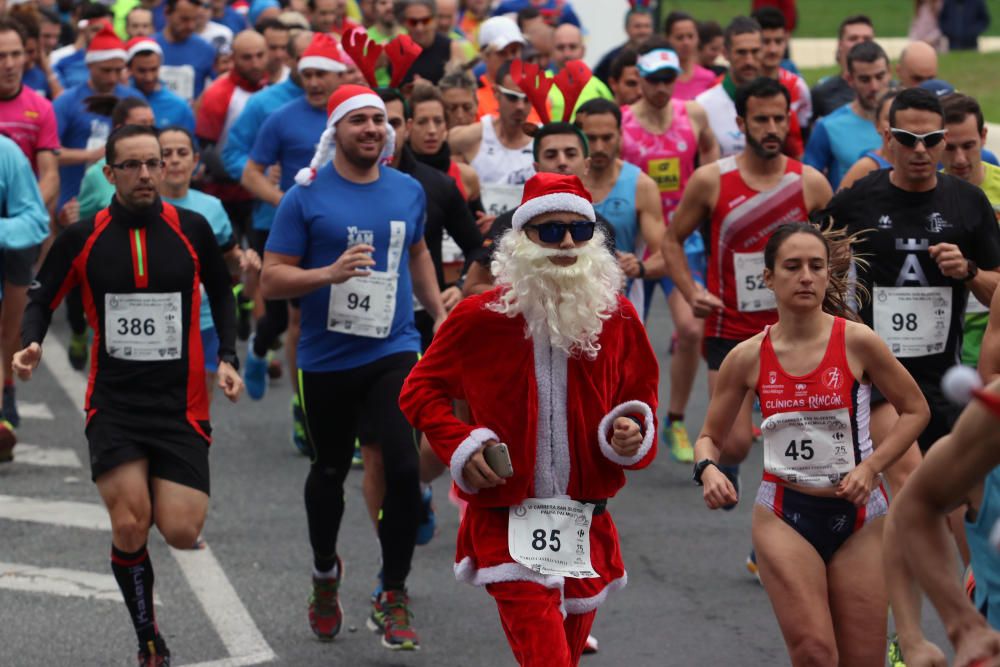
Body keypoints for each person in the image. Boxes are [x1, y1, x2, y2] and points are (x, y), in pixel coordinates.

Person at [399, 171, 658, 667]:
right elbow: (420, 390)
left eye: (579, 231)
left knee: (561, 655)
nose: (565, 242)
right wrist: (462, 443)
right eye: (549, 230)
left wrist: (628, 430)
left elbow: (638, 393)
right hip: (507, 517)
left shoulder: (617, 315)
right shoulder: (479, 317)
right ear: (522, 239)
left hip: (584, 520)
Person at [14, 123, 242, 666]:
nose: (145, 174)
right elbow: (42, 297)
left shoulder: (191, 228)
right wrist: (29, 343)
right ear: (109, 173)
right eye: (132, 166)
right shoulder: (83, 235)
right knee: (129, 524)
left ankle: (154, 573)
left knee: (183, 531)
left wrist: (229, 356)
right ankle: (148, 641)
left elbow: (221, 290)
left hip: (181, 404)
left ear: (164, 168)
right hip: (114, 404)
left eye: (153, 163)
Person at [259, 83, 445, 651]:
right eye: (357, 120)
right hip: (325, 359)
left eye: (377, 121)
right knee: (331, 471)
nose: (370, 128)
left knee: (403, 468)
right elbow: (271, 277)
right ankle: (323, 574)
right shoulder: (305, 197)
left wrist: (439, 310)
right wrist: (327, 275)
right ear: (335, 131)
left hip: (392, 348)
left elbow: (415, 251)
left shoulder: (408, 190)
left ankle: (393, 593)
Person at [693, 222, 929, 667]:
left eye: (815, 266)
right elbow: (709, 437)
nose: (805, 276)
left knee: (863, 659)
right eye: (792, 266)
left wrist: (871, 467)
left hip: (861, 517)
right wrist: (707, 470)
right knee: (816, 653)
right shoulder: (746, 356)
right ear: (768, 278)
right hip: (785, 514)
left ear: (826, 275)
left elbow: (916, 411)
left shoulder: (858, 342)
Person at [663, 76, 832, 525]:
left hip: (795, 333)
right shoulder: (711, 181)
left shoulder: (810, 184)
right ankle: (730, 468)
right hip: (731, 331)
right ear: (741, 123)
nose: (772, 127)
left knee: (803, 445)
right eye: (762, 119)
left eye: (780, 118)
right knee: (735, 442)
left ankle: (782, 530)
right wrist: (691, 290)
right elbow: (671, 240)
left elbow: (839, 249)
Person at [819, 86, 1000, 492]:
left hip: (941, 374)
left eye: (932, 140)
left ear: (943, 141)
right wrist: (841, 311)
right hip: (874, 375)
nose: (920, 150)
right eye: (907, 138)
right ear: (887, 139)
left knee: (953, 492)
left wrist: (969, 270)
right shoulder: (861, 197)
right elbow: (808, 258)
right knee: (908, 478)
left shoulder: (969, 203)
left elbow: (998, 293)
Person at [619, 44, 717, 463]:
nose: (661, 88)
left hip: (682, 242)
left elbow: (710, 149)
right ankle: (623, 420)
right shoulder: (622, 123)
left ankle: (675, 419)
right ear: (638, 79)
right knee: (622, 339)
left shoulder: (691, 114)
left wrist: (707, 193)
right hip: (635, 245)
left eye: (668, 79)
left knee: (692, 329)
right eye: (653, 79)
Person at [240, 31, 347, 402]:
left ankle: (321, 401)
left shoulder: (354, 117)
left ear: (339, 75)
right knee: (287, 321)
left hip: (339, 232)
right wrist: (284, 200)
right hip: (287, 232)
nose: (314, 82)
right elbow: (250, 172)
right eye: (308, 74)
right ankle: (299, 399)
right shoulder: (281, 118)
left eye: (323, 74)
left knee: (326, 320)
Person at [159, 125, 260, 399]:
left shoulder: (212, 208)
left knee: (197, 408)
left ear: (195, 161)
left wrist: (244, 261)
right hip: (154, 320)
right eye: (166, 153)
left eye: (182, 153)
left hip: (203, 321)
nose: (175, 160)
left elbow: (227, 259)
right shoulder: (140, 205)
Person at [577, 98, 668, 314]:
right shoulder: (562, 180)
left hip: (621, 310)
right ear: (578, 138)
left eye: (607, 138)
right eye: (591, 138)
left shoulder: (641, 185)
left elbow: (664, 256)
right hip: (569, 305)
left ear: (620, 136)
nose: (599, 147)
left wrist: (639, 267)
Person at [938, 94, 1000, 369]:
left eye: (969, 145)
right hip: (945, 340)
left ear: (984, 136)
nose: (960, 158)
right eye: (950, 148)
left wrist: (969, 270)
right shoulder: (923, 193)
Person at [0, 132, 52, 460]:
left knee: (7, 335)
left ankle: (6, 400)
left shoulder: (6, 153)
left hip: (8, 257)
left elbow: (36, 220)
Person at [196, 30, 268, 244]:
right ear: (233, 58)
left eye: (259, 55)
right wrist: (251, 178)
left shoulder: (273, 87)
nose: (255, 63)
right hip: (226, 195)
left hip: (262, 195)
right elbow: (207, 151)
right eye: (247, 57)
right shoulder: (218, 94)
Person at [695, 16, 804, 159]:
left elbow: (797, 160)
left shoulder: (779, 103)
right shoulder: (703, 106)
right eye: (741, 52)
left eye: (755, 51)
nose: (749, 60)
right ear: (725, 53)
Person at [804, 40, 890, 189]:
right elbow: (808, 184)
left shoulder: (907, 122)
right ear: (849, 79)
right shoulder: (828, 126)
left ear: (889, 73)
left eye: (879, 76)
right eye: (865, 79)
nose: (874, 87)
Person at [450, 59, 535, 192]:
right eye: (512, 97)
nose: (520, 106)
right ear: (496, 92)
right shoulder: (473, 136)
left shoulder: (543, 141)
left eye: (527, 99)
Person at [752, 6, 812, 132]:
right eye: (765, 42)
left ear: (786, 40)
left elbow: (803, 135)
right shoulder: (739, 85)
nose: (773, 49)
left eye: (778, 41)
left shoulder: (798, 87)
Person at [810, 14, 874, 120]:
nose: (861, 43)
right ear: (840, 45)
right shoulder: (822, 93)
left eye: (866, 39)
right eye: (853, 38)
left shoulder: (890, 91)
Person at [126, 36, 196, 131]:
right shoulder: (119, 99)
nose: (149, 77)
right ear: (129, 69)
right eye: (142, 71)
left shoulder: (179, 107)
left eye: (154, 69)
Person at [548, 24, 612, 121]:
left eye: (572, 47)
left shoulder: (599, 88)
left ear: (583, 51)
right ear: (551, 51)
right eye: (560, 47)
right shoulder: (537, 84)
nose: (567, 54)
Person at [155, 0, 216, 102]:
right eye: (184, 19)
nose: (191, 26)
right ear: (167, 13)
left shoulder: (206, 50)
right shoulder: (151, 46)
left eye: (194, 19)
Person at [836, 89, 897, 191]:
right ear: (877, 124)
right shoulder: (866, 168)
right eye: (890, 119)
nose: (896, 125)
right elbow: (838, 206)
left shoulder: (925, 162)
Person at [398, 0, 465, 85]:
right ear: (404, 23)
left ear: (435, 20)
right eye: (413, 22)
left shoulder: (452, 48)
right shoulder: (393, 49)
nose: (419, 28)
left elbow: (465, 89)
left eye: (425, 21)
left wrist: (429, 91)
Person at [592, 6, 653, 85]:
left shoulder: (658, 57)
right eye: (637, 26)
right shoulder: (611, 59)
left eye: (647, 26)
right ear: (626, 28)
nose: (643, 31)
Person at [664, 11, 715, 101]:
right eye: (679, 37)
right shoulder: (660, 80)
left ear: (698, 38)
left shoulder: (709, 78)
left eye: (690, 36)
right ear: (667, 39)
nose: (686, 43)